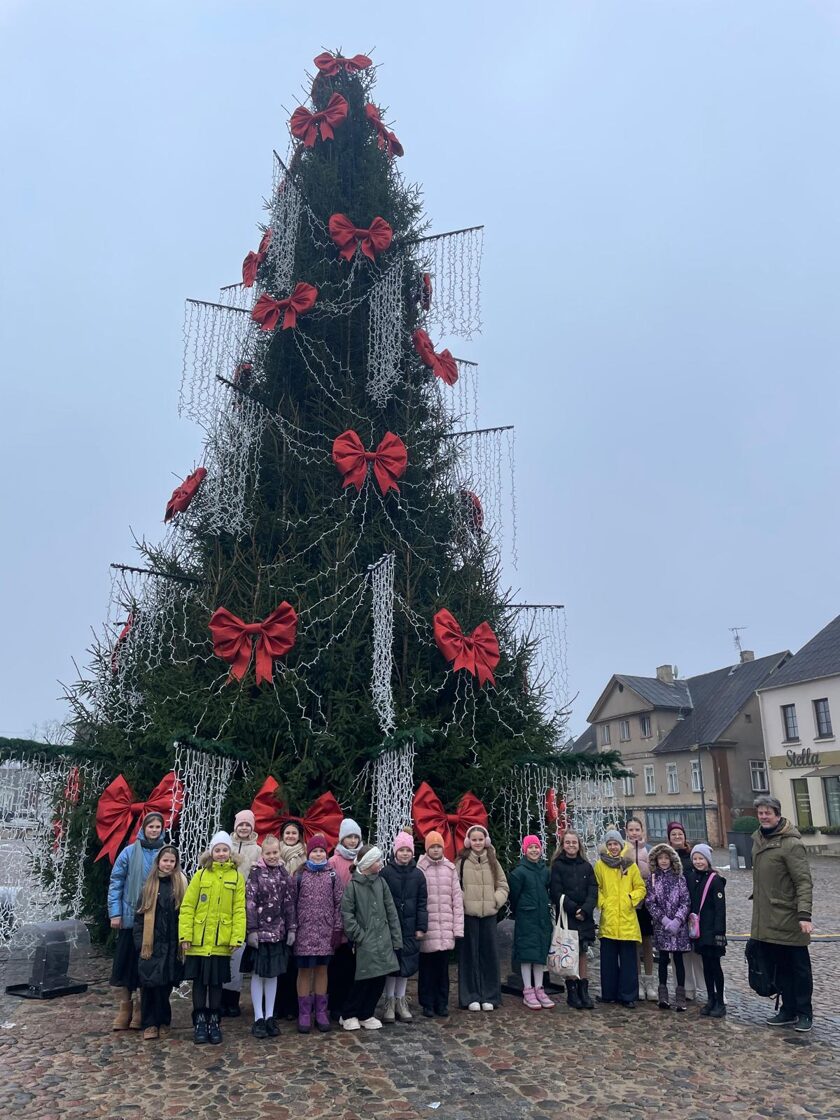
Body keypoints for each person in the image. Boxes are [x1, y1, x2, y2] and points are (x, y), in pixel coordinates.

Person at [751, 794, 814, 1033]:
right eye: (760, 813)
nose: (763, 817)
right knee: (780, 968)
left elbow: (803, 881)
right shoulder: (758, 839)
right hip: (767, 917)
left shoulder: (791, 844)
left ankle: (804, 1012)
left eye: (767, 813)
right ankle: (788, 1010)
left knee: (799, 969)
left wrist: (804, 914)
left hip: (789, 916)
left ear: (777, 814)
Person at [179, 830, 246, 1045]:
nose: (221, 853)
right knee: (199, 983)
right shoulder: (200, 875)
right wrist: (185, 935)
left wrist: (237, 937)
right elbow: (188, 906)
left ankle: (214, 1022)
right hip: (199, 941)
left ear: (230, 852)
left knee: (216, 984)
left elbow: (239, 909)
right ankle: (200, 1021)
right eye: (217, 850)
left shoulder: (236, 878)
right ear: (211, 852)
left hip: (220, 941)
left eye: (225, 850)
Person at [107, 810, 166, 1031]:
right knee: (126, 964)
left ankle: (141, 1008)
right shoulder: (129, 852)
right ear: (143, 828)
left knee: (145, 965)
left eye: (158, 827)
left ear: (162, 829)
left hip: (153, 919)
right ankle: (125, 1006)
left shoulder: (165, 852)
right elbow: (117, 882)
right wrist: (115, 913)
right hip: (130, 916)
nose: (154, 830)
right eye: (151, 826)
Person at [340, 844, 403, 1031]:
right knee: (363, 979)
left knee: (379, 978)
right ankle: (349, 1013)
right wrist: (359, 936)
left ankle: (366, 1013)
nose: (380, 863)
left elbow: (391, 911)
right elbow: (347, 915)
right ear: (367, 863)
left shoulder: (381, 883)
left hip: (383, 940)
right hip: (365, 942)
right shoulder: (353, 886)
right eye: (377, 861)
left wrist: (395, 939)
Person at [132, 844, 187, 1040]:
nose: (168, 864)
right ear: (159, 862)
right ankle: (150, 1023)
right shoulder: (149, 887)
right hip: (151, 944)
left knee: (165, 986)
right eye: (165, 860)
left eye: (172, 861)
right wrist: (140, 942)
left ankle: (164, 1020)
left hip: (172, 944)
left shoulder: (181, 885)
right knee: (150, 985)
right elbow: (139, 917)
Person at [245, 834, 297, 1039]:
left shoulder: (284, 873)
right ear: (263, 854)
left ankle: (269, 1016)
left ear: (279, 851)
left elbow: (289, 903)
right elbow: (250, 903)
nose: (272, 856)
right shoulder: (255, 873)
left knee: (273, 975)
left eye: (275, 852)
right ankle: (258, 1017)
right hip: (260, 933)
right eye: (268, 853)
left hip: (278, 932)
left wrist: (292, 928)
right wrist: (251, 930)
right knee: (258, 975)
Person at [293, 833, 343, 1034]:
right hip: (304, 932)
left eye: (322, 851)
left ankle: (321, 1011)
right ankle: (304, 1013)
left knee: (322, 970)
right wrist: (293, 928)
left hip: (325, 932)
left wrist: (337, 928)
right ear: (309, 853)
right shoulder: (299, 875)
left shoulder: (332, 876)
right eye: (315, 851)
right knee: (304, 971)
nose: (318, 854)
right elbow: (291, 904)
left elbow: (339, 903)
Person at [456, 824, 509, 1012]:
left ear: (485, 841)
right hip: (469, 915)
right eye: (474, 840)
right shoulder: (462, 861)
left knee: (489, 955)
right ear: (469, 842)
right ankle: (470, 996)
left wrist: (496, 900)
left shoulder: (493, 861)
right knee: (469, 956)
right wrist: (463, 901)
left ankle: (490, 995)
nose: (477, 843)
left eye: (480, 839)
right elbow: (455, 885)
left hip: (489, 914)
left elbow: (503, 885)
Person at [594, 828, 646, 1008]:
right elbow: (597, 887)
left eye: (615, 844)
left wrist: (631, 899)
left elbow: (640, 887)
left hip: (627, 920)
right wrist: (603, 903)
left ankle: (628, 995)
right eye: (610, 844)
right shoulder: (600, 865)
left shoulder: (630, 865)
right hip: (609, 919)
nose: (613, 847)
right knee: (608, 961)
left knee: (628, 961)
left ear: (621, 845)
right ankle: (608, 993)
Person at [381, 830, 429, 1023]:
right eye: (401, 850)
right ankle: (389, 1002)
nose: (405, 854)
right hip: (391, 928)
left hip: (410, 927)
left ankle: (401, 1000)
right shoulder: (386, 873)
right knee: (392, 966)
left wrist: (421, 927)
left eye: (408, 850)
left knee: (406, 966)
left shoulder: (418, 875)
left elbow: (422, 903)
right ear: (395, 852)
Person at [417, 829, 464, 1018]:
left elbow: (457, 900)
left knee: (443, 971)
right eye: (432, 847)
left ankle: (442, 1003)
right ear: (427, 849)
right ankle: (427, 1003)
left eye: (438, 846)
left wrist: (457, 928)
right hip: (428, 928)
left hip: (445, 928)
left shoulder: (450, 869)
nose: (436, 850)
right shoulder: (420, 869)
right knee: (427, 970)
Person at [548, 829, 597, 1010]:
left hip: (584, 917)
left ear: (579, 845)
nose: (571, 845)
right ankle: (572, 991)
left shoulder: (586, 866)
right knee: (569, 952)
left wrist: (585, 910)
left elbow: (593, 890)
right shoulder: (558, 866)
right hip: (567, 916)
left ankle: (584, 990)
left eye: (574, 842)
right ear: (562, 845)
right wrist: (574, 909)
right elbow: (556, 892)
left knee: (582, 952)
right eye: (567, 842)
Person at [222, 808, 262, 1017]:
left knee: (237, 951)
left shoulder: (257, 850)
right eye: (241, 824)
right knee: (223, 951)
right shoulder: (225, 845)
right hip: (223, 905)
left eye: (248, 824)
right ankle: (220, 996)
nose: (244, 828)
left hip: (244, 906)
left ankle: (232, 998)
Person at [509, 835, 554, 1010]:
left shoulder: (545, 871)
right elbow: (514, 897)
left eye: (536, 847)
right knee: (526, 954)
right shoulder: (519, 873)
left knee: (540, 954)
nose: (534, 850)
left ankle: (539, 988)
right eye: (530, 847)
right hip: (526, 918)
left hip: (542, 918)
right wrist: (522, 910)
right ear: (524, 850)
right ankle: (528, 989)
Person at [645, 843, 691, 1011]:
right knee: (663, 959)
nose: (664, 861)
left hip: (678, 928)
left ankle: (680, 994)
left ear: (672, 860)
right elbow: (650, 902)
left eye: (666, 858)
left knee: (678, 960)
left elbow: (685, 901)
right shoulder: (652, 879)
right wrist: (663, 920)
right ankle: (663, 993)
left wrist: (678, 920)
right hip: (661, 926)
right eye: (661, 858)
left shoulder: (679, 878)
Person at [327, 817, 363, 1021]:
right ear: (342, 839)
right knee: (337, 967)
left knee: (352, 967)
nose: (353, 841)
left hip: (357, 920)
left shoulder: (362, 860)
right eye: (349, 837)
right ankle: (335, 1005)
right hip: (338, 919)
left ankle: (351, 1004)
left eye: (356, 837)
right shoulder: (334, 861)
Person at [686, 842, 727, 1018]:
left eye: (701, 858)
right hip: (700, 931)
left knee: (715, 966)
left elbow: (720, 909)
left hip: (712, 931)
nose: (698, 862)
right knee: (706, 967)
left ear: (707, 860)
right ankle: (710, 998)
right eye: (695, 858)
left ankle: (720, 1001)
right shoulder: (692, 878)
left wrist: (719, 932)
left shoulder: (715, 880)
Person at [666, 820, 704, 1001]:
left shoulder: (692, 856)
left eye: (680, 834)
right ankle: (686, 988)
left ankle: (708, 987)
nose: (677, 837)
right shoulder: (666, 858)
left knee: (698, 951)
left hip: (693, 908)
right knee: (678, 953)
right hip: (674, 911)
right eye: (673, 834)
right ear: (669, 838)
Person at [274, 818, 307, 1020]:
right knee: (279, 960)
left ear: (299, 836)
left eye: (294, 833)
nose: (291, 836)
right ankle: (277, 1004)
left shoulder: (306, 855)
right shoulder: (274, 854)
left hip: (298, 912)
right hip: (277, 914)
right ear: (282, 835)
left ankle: (292, 1005)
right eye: (287, 833)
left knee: (295, 962)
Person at [625, 817, 655, 1001]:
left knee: (647, 941)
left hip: (646, 902)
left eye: (637, 829)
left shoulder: (649, 850)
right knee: (634, 942)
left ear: (642, 831)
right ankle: (636, 981)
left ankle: (649, 980)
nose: (634, 833)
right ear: (626, 831)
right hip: (629, 902)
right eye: (631, 829)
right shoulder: (623, 851)